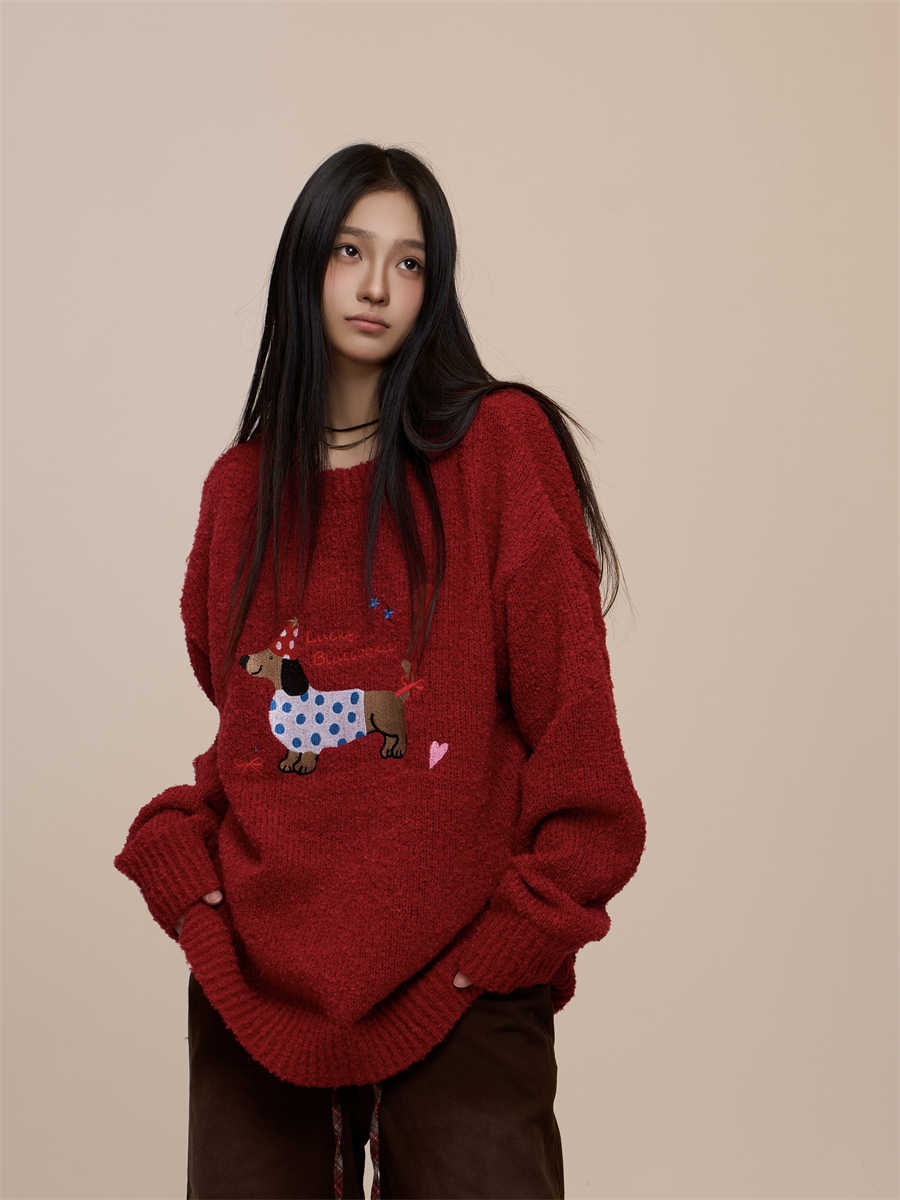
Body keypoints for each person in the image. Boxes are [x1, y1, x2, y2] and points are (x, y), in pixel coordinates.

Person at [113, 143, 647, 1200]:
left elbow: (575, 723)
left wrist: (523, 932)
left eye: (409, 262)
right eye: (351, 252)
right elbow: (247, 728)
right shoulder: (240, 491)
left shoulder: (499, 446)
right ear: (306, 265)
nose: (375, 287)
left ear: (433, 287)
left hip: (464, 970)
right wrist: (192, 876)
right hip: (259, 984)